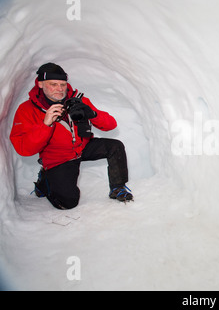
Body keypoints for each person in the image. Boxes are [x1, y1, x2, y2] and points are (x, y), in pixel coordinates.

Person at [10, 62, 133, 210]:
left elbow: (111, 125)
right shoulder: (27, 110)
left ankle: (117, 188)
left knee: (115, 146)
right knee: (67, 203)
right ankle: (45, 181)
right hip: (58, 158)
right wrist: (46, 125)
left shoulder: (77, 99)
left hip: (82, 147)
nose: (59, 89)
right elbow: (24, 149)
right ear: (40, 84)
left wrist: (92, 114)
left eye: (62, 84)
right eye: (53, 84)